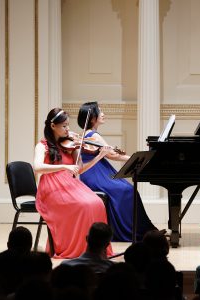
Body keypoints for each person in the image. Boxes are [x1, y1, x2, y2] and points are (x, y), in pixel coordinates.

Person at [33, 108, 113, 259]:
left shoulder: (70, 146)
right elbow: (37, 168)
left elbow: (80, 170)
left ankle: (95, 249)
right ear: (52, 126)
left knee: (97, 203)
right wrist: (64, 166)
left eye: (68, 125)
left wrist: (99, 156)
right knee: (83, 205)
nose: (68, 129)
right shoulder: (42, 146)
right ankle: (76, 248)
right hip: (51, 189)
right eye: (64, 126)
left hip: (70, 185)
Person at [77, 102, 157, 242]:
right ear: (91, 118)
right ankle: (133, 231)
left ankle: (138, 229)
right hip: (93, 173)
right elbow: (112, 155)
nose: (103, 114)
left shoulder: (89, 134)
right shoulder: (93, 135)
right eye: (100, 112)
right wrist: (136, 159)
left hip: (97, 171)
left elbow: (110, 153)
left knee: (127, 189)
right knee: (127, 190)